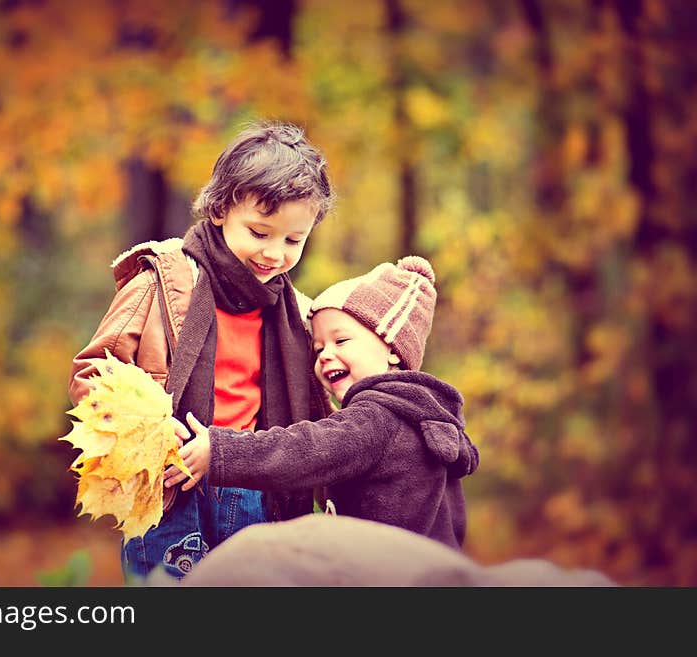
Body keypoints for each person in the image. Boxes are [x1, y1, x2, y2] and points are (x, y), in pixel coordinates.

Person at [68, 120, 335, 579]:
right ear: (219, 210)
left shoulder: (295, 314)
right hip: (171, 491)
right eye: (259, 232)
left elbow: (325, 417)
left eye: (293, 240)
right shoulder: (164, 283)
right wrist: (154, 436)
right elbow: (95, 375)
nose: (275, 253)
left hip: (255, 491)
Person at [165, 256, 480, 549]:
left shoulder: (377, 418)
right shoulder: (422, 416)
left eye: (340, 340)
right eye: (317, 349)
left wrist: (220, 450)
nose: (326, 354)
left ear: (393, 349)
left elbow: (304, 450)